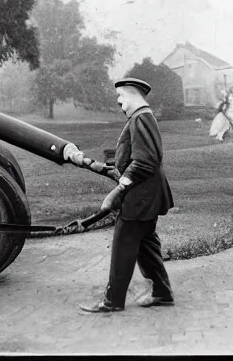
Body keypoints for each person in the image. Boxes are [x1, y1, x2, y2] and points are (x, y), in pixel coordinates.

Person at [76, 77, 175, 313]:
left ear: (131, 95)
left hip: (140, 196)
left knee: (124, 243)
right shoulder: (141, 117)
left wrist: (121, 185)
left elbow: (145, 161)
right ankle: (162, 292)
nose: (119, 102)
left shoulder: (142, 117)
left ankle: (112, 302)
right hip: (146, 195)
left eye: (121, 97)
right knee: (145, 245)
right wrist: (110, 167)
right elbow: (136, 158)